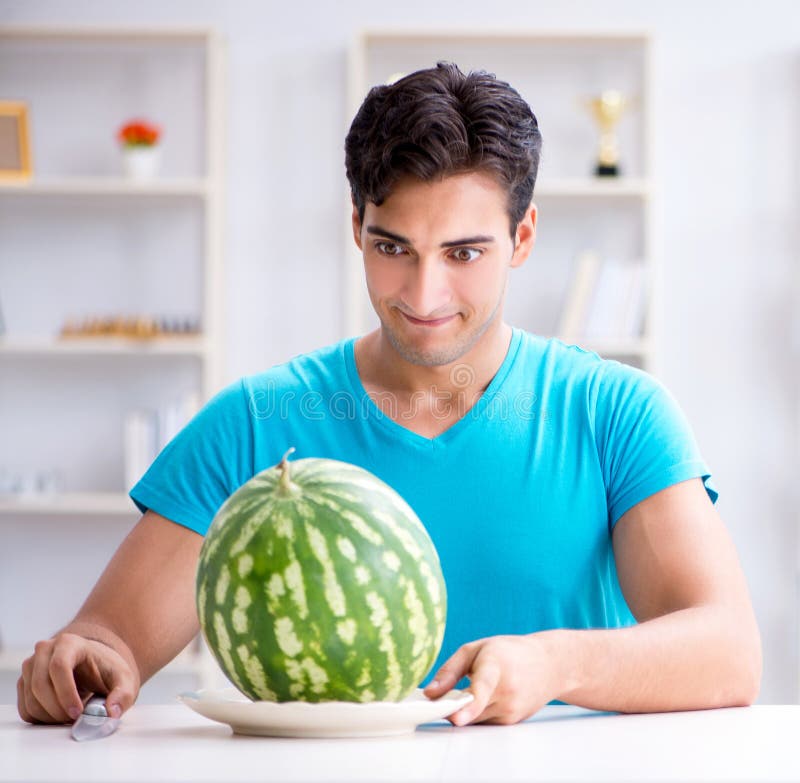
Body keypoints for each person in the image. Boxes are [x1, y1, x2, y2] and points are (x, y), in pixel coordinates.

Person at [17, 62, 761, 728]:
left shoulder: (616, 415)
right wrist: (77, 664)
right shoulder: (255, 423)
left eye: (464, 252)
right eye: (392, 247)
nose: (424, 293)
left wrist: (556, 663)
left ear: (524, 237)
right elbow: (107, 641)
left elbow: (728, 651)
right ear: (356, 228)